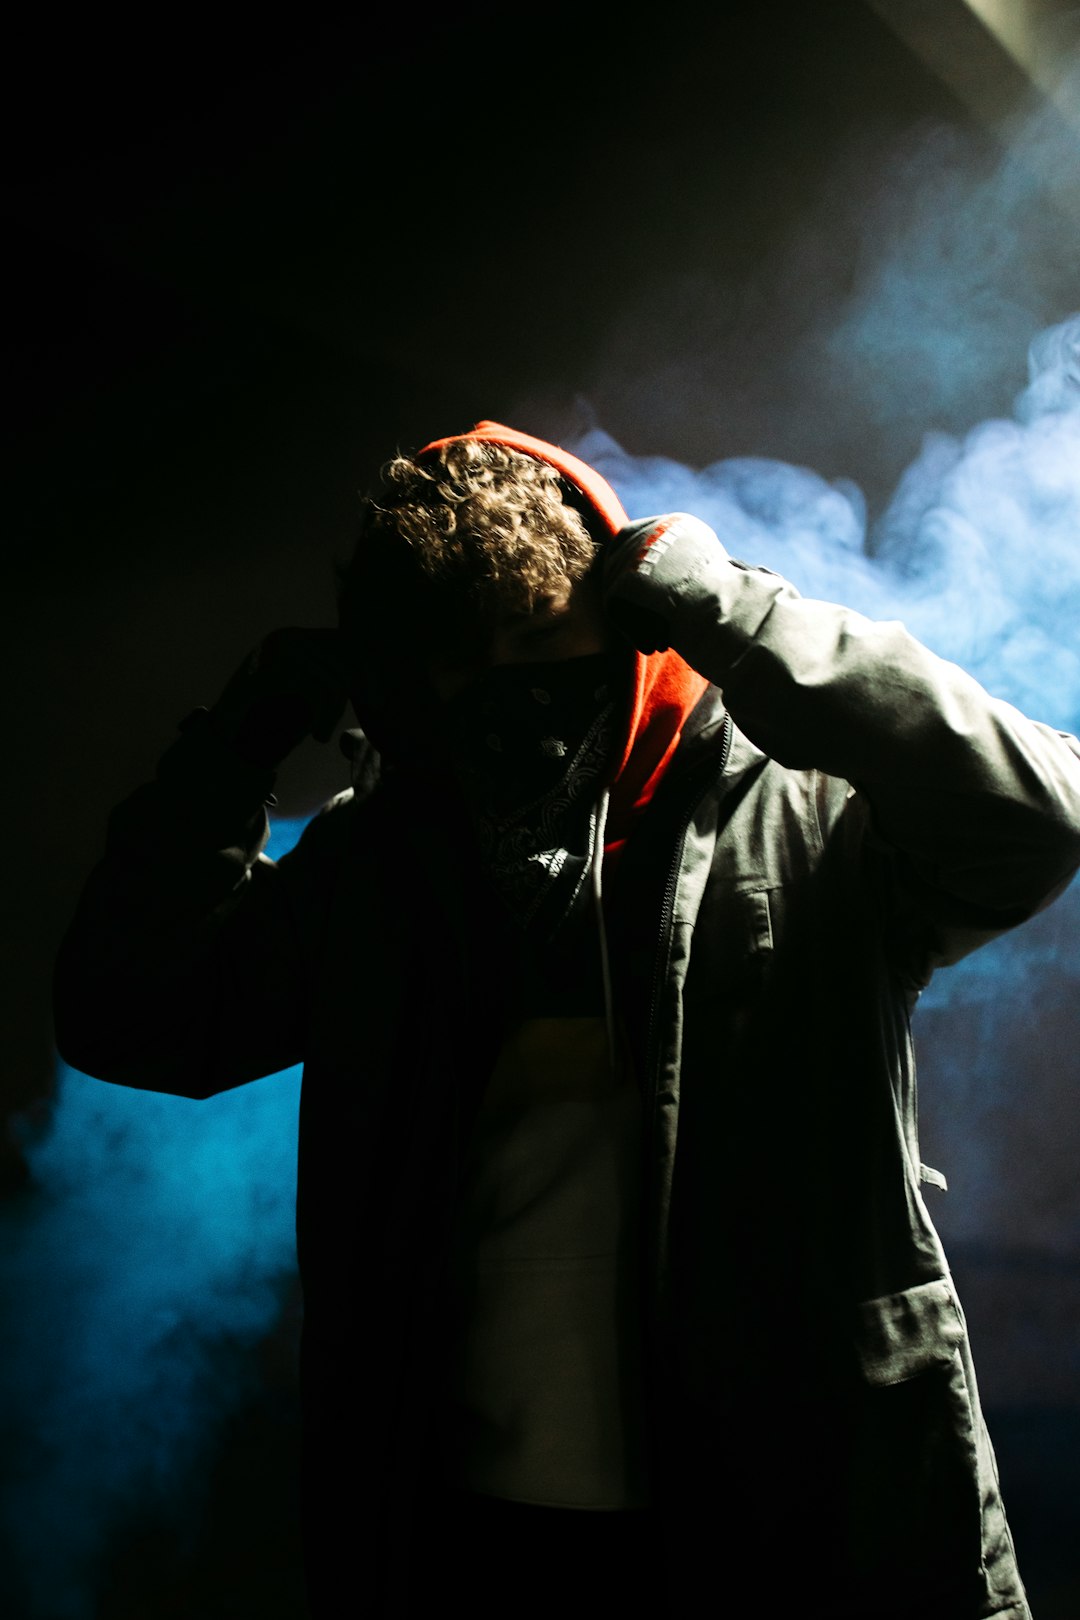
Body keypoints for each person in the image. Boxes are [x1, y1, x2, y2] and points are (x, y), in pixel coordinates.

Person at [53, 420, 1080, 1619]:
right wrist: (226, 754)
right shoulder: (381, 865)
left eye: (540, 647)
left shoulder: (799, 815)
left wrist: (743, 616)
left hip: (805, 1520)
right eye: (460, 662)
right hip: (469, 1542)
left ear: (633, 631)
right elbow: (133, 1015)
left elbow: (1035, 818)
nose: (508, 707)